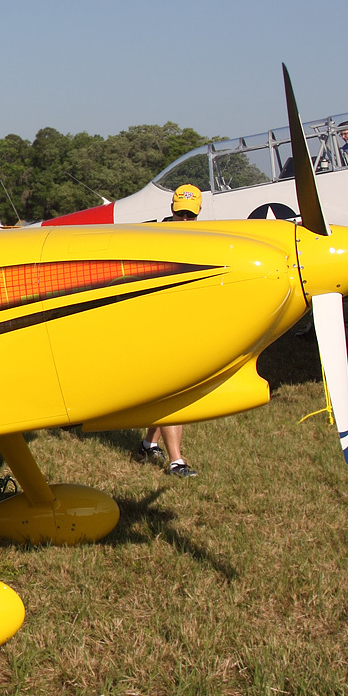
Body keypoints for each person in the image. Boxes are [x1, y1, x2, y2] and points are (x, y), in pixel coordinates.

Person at [138, 183, 200, 477]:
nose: (185, 221)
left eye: (190, 216)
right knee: (174, 389)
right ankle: (176, 460)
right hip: (160, 323)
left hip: (185, 322)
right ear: (172, 212)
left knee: (170, 387)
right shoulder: (156, 239)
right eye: (181, 215)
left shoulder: (204, 240)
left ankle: (149, 443)